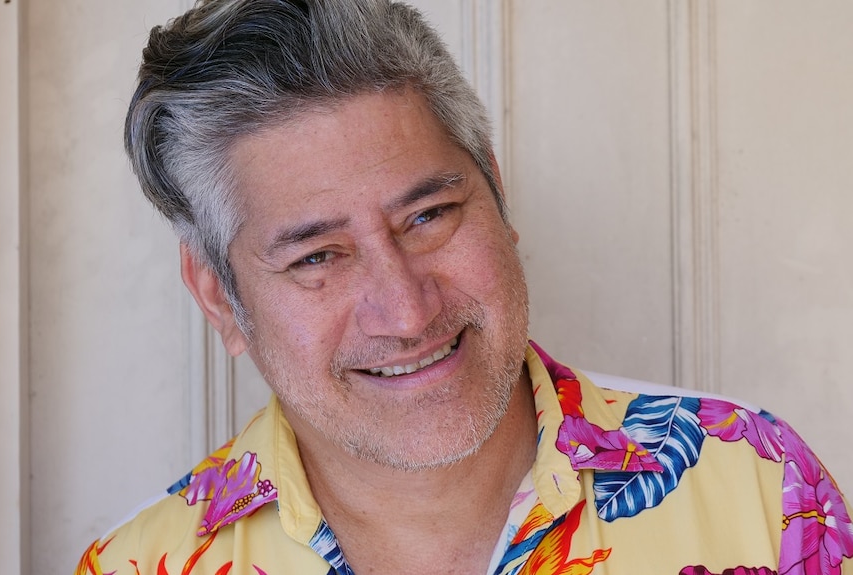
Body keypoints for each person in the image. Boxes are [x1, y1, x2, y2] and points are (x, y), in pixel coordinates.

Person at [75, 1, 853, 574]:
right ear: (218, 297)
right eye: (317, 256)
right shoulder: (138, 565)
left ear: (496, 191)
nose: (408, 310)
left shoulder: (761, 489)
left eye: (429, 215)